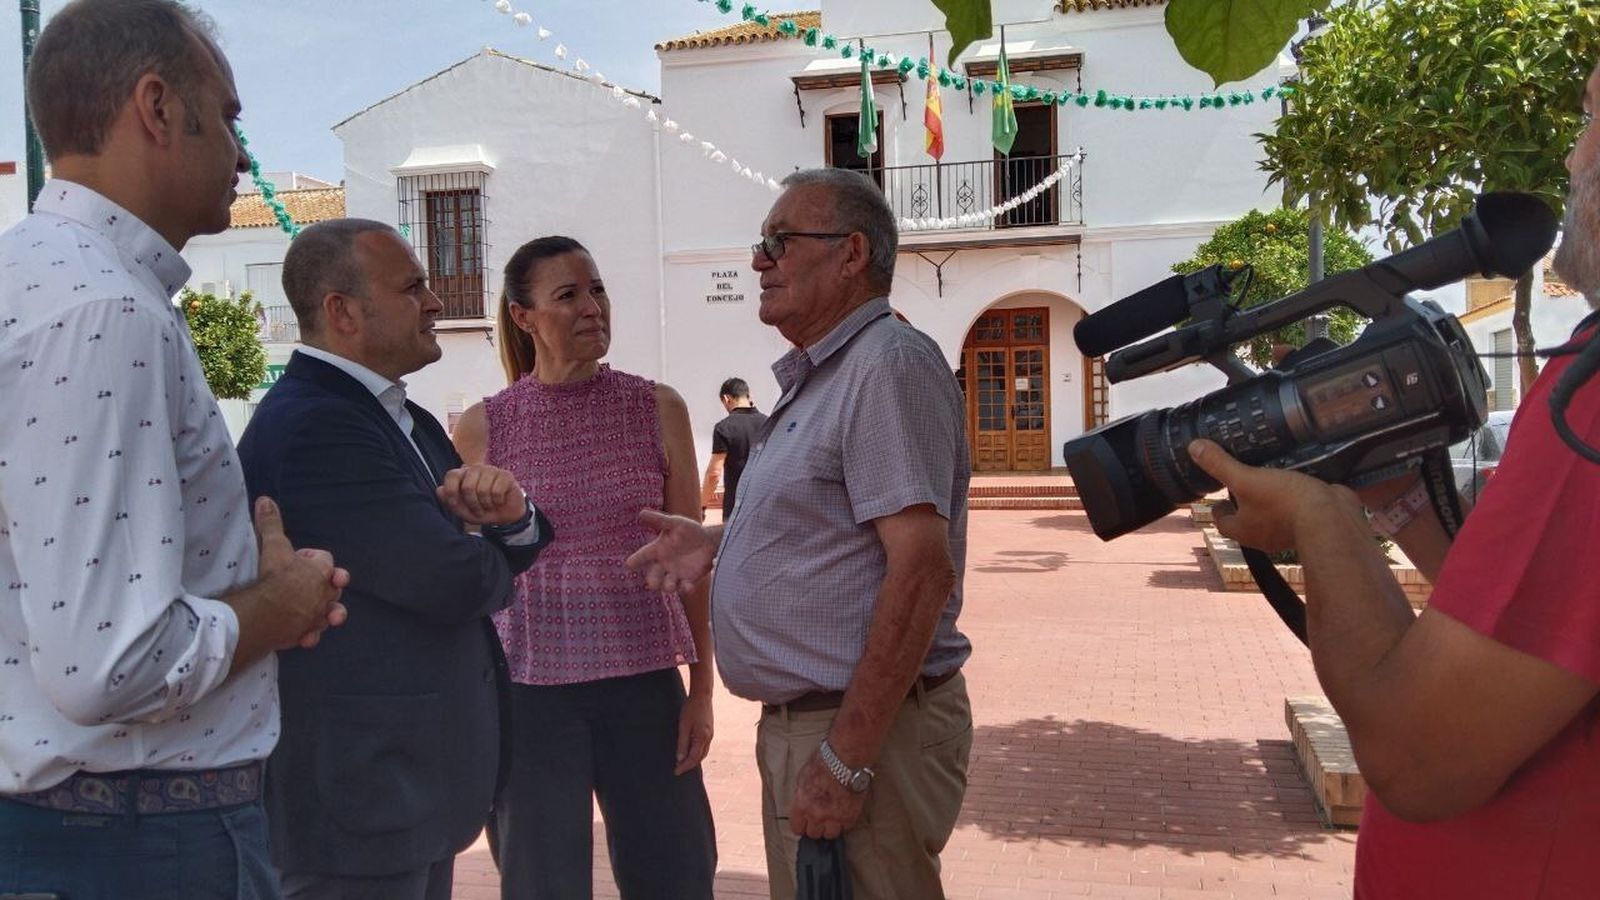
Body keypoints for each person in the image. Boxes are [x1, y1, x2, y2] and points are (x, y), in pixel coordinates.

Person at [1183, 60, 1600, 900]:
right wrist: (1403, 503)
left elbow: (1416, 757)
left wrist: (1318, 515)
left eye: (1593, 117)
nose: (1572, 157)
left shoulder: (1588, 411)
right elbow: (1523, 639)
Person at [0, 2, 348, 897]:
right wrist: (281, 602)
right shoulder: (102, 308)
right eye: (228, 117)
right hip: (135, 840)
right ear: (157, 108)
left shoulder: (36, 278)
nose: (242, 154)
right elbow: (103, 664)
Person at [628, 168, 974, 900]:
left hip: (856, 734)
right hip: (816, 727)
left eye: (779, 242)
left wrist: (846, 759)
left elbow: (920, 571)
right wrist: (719, 543)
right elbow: (838, 527)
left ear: (851, 254)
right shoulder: (827, 375)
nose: (759, 260)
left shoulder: (885, 365)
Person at [236, 219, 554, 900]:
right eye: (412, 287)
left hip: (402, 792)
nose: (435, 302)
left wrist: (509, 517)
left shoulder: (398, 417)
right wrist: (491, 542)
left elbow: (467, 552)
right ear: (341, 312)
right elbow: (448, 578)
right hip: (361, 799)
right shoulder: (322, 424)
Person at [451, 235, 717, 899]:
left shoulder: (658, 408)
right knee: (542, 883)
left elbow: (691, 563)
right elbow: (471, 580)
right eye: (567, 295)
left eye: (596, 289)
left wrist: (702, 690)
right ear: (524, 316)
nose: (592, 306)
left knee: (676, 876)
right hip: (530, 691)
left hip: (647, 686)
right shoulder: (485, 427)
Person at [700, 377, 768, 518]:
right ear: (749, 396)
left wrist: (701, 505)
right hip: (766, 506)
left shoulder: (724, 428)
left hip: (736, 509)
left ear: (726, 399)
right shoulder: (769, 423)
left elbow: (714, 473)